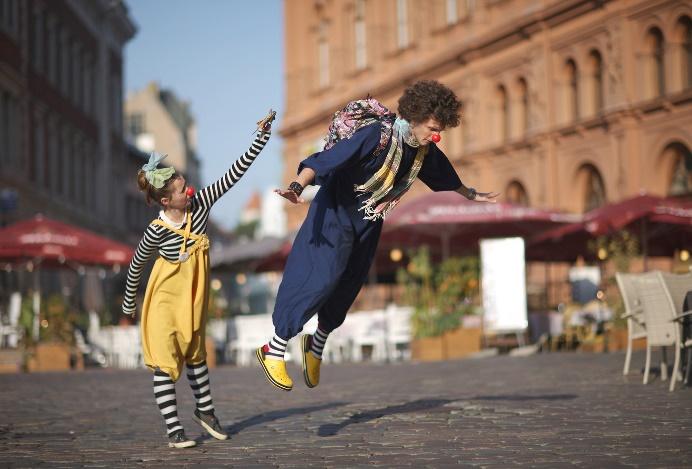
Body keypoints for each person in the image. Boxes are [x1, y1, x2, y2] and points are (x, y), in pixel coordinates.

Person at [256, 80, 498, 391]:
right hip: (335, 211)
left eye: (440, 129)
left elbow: (444, 175)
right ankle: (273, 348)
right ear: (416, 115)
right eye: (432, 127)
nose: (434, 135)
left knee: (348, 284)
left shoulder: (422, 150)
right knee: (319, 276)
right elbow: (326, 160)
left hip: (369, 219)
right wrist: (297, 187)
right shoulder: (378, 135)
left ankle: (315, 344)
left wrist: (470, 194)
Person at [122, 112, 274, 448]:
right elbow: (136, 266)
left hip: (192, 300)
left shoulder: (200, 206)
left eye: (184, 184)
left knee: (195, 355)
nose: (188, 190)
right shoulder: (155, 231)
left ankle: (205, 411)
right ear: (165, 201)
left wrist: (260, 138)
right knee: (164, 361)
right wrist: (129, 302)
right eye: (180, 190)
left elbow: (233, 175)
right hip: (163, 300)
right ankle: (174, 429)